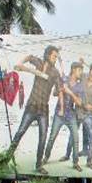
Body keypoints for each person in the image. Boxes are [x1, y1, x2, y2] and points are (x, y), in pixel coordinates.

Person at [10, 45, 62, 174]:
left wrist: (58, 89)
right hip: (31, 107)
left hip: (43, 110)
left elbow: (57, 91)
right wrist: (20, 64)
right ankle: (5, 158)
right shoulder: (38, 62)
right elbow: (29, 57)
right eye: (54, 56)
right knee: (20, 132)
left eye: (56, 57)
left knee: (43, 137)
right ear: (48, 55)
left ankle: (39, 165)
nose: (55, 59)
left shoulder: (55, 73)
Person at [43, 61, 84, 171]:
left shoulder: (80, 86)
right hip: (59, 114)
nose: (81, 72)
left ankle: (75, 163)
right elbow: (54, 93)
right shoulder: (63, 79)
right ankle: (46, 157)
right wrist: (60, 89)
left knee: (76, 138)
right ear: (74, 69)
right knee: (52, 137)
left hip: (71, 114)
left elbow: (80, 103)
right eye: (80, 70)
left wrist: (70, 92)